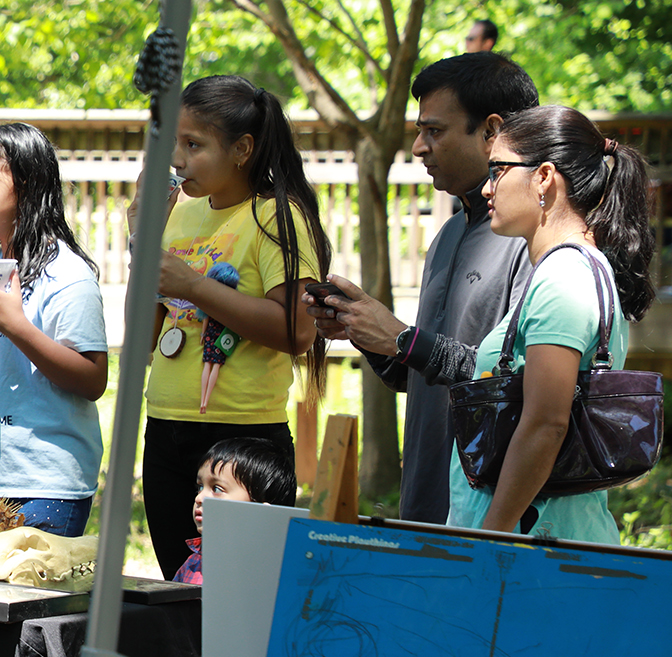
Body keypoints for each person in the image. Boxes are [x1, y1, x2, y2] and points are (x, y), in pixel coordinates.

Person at [305, 54, 538, 523]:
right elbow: (420, 377)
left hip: (493, 517)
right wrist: (363, 331)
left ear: (491, 131)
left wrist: (400, 337)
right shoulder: (448, 235)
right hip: (425, 503)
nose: (417, 147)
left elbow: (518, 387)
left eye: (434, 131)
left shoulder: (534, 241)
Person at [132, 75, 330, 579]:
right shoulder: (181, 215)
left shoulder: (276, 215)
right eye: (174, 142)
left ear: (242, 148)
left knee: (239, 595)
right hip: (167, 426)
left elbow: (297, 331)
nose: (177, 159)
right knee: (182, 591)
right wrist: (143, 240)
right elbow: (146, 336)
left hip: (242, 436)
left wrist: (195, 285)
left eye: (193, 144)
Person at [446, 106, 655, 543]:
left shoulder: (564, 280)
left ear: (543, 177)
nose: (487, 187)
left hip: (531, 553)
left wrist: (492, 539)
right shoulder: (568, 271)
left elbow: (546, 423)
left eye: (498, 170)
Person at [0, 123, 108, 537]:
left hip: (47, 485)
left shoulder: (66, 274)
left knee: (25, 600)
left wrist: (16, 327)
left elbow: (93, 379)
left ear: (26, 188)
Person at [172, 437, 297, 584]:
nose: (199, 498)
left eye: (217, 489)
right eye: (200, 487)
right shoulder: (193, 564)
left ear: (261, 513)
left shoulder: (276, 575)